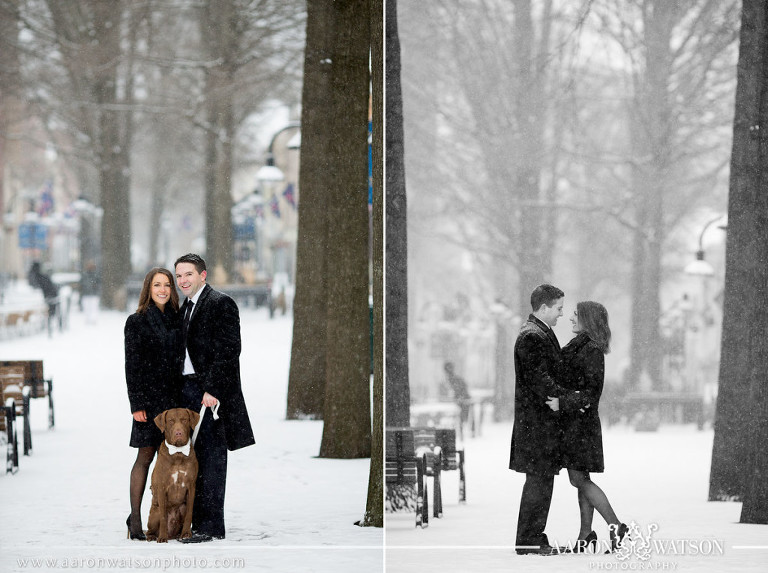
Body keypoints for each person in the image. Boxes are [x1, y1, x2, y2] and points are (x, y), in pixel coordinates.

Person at [174, 253, 255, 543]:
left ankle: (209, 527)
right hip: (188, 390)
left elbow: (230, 350)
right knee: (193, 458)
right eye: (179, 275)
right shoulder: (186, 307)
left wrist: (213, 390)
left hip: (211, 394)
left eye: (189, 275)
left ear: (203, 275)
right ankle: (193, 522)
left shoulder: (220, 303)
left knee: (212, 459)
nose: (183, 281)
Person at [546, 301, 628, 553]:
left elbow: (591, 392)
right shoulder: (581, 346)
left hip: (580, 426)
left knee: (578, 479)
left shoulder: (590, 350)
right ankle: (586, 534)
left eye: (575, 315)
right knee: (582, 478)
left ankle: (615, 525)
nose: (571, 318)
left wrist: (563, 401)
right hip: (576, 423)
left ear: (587, 319)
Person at [124, 267, 182, 540]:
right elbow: (131, 366)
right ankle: (134, 518)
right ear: (148, 288)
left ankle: (162, 517)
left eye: (167, 285)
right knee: (145, 457)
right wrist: (136, 404)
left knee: (168, 460)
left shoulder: (178, 318)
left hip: (174, 403)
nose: (162, 289)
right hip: (147, 401)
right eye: (157, 284)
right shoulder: (136, 322)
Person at [509, 284, 567, 555]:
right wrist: (564, 398)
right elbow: (540, 380)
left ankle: (532, 536)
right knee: (538, 483)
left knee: (541, 482)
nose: (561, 314)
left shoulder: (535, 332)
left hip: (537, 425)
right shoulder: (533, 336)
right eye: (558, 308)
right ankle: (529, 539)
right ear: (543, 308)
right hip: (537, 426)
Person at [28, 261, 60, 336]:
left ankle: (50, 326)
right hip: (51, 296)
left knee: (50, 312)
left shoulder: (36, 276)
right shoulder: (42, 276)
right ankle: (50, 325)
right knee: (51, 312)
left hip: (48, 297)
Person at [443, 362, 471, 438]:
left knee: (460, 420)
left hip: (461, 403)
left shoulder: (455, 380)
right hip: (459, 403)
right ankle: (459, 434)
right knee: (459, 420)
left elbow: (461, 392)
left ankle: (460, 434)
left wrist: (459, 398)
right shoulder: (453, 380)